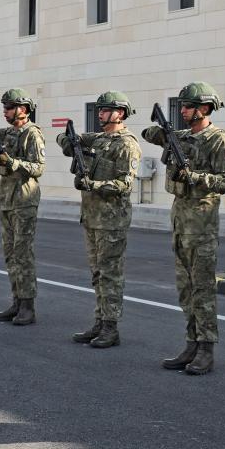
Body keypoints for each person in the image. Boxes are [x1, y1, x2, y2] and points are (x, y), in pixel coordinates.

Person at [142, 82, 225, 373]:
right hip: (180, 222)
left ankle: (206, 349)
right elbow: (149, 133)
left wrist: (195, 176)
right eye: (181, 106)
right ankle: (191, 343)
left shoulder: (217, 140)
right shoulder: (180, 137)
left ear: (204, 109)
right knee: (185, 289)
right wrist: (164, 132)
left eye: (188, 106)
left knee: (203, 290)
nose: (182, 111)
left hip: (202, 223)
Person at [59, 92, 141, 348]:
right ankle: (99, 320)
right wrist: (69, 139)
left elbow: (125, 184)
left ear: (121, 114)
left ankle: (111, 327)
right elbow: (66, 140)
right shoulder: (98, 138)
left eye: (106, 110)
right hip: (92, 218)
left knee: (110, 275)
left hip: (111, 221)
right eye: (100, 110)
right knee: (97, 274)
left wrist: (93, 184)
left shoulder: (126, 144)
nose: (101, 114)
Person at [0, 88, 46, 326]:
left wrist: (14, 163)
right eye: (4, 107)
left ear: (22, 109)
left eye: (9, 107)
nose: (5, 112)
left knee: (23, 254)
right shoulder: (9, 132)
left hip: (24, 200)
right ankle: (16, 301)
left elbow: (38, 167)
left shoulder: (32, 134)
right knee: (10, 254)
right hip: (7, 199)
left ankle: (28, 306)